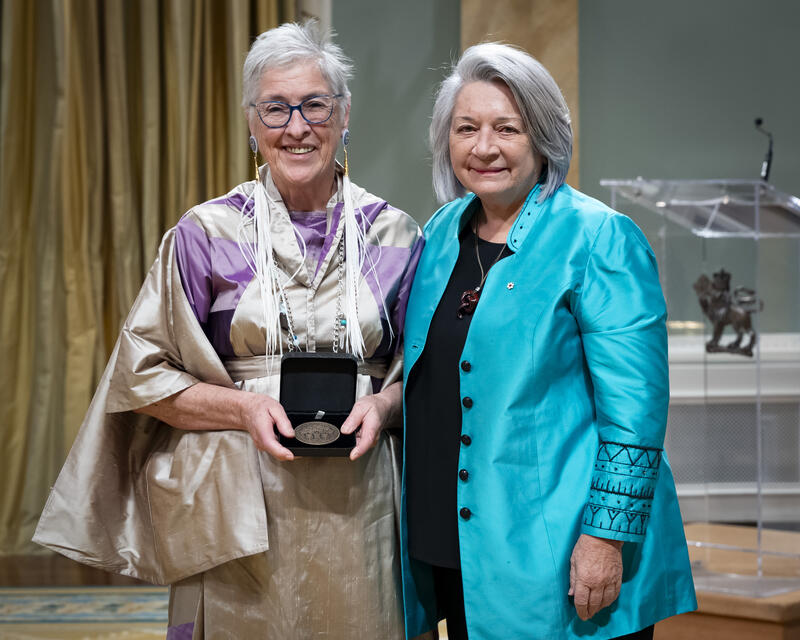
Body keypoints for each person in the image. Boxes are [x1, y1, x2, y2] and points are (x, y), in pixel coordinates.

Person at [33, 21, 428, 639]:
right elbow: (142, 375)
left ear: (344, 113)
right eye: (275, 108)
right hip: (235, 506)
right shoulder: (206, 233)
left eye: (315, 105)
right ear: (251, 121)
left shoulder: (395, 234)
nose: (296, 127)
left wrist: (383, 404)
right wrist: (242, 408)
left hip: (364, 505)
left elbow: (431, 377)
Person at [400, 43, 697, 640]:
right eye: (466, 128)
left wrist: (605, 538)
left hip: (559, 555)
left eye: (507, 128)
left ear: (543, 138)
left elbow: (635, 413)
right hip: (455, 546)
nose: (484, 147)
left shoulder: (599, 238)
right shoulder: (439, 233)